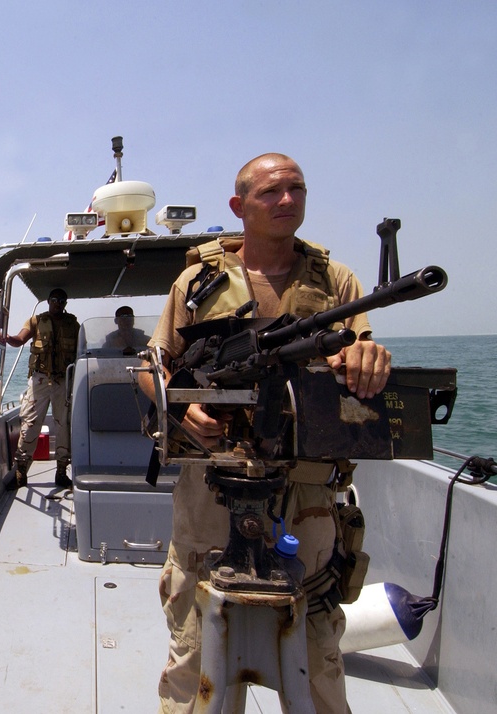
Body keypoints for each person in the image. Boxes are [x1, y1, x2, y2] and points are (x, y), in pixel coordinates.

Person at [139, 153, 391, 714]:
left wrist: (368, 356)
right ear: (239, 206)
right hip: (211, 490)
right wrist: (183, 412)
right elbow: (152, 369)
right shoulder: (197, 282)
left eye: (297, 189)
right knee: (198, 661)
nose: (287, 200)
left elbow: (362, 355)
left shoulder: (336, 281)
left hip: (307, 493)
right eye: (271, 191)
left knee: (317, 654)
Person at [1, 287, 79, 490]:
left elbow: (82, 350)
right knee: (30, 423)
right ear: (48, 301)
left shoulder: (73, 325)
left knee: (64, 426)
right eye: (54, 299)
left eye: (62, 300)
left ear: (65, 303)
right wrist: (9, 339)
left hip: (63, 382)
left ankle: (61, 471)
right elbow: (20, 339)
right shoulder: (36, 321)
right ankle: (21, 472)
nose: (58, 303)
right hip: (40, 381)